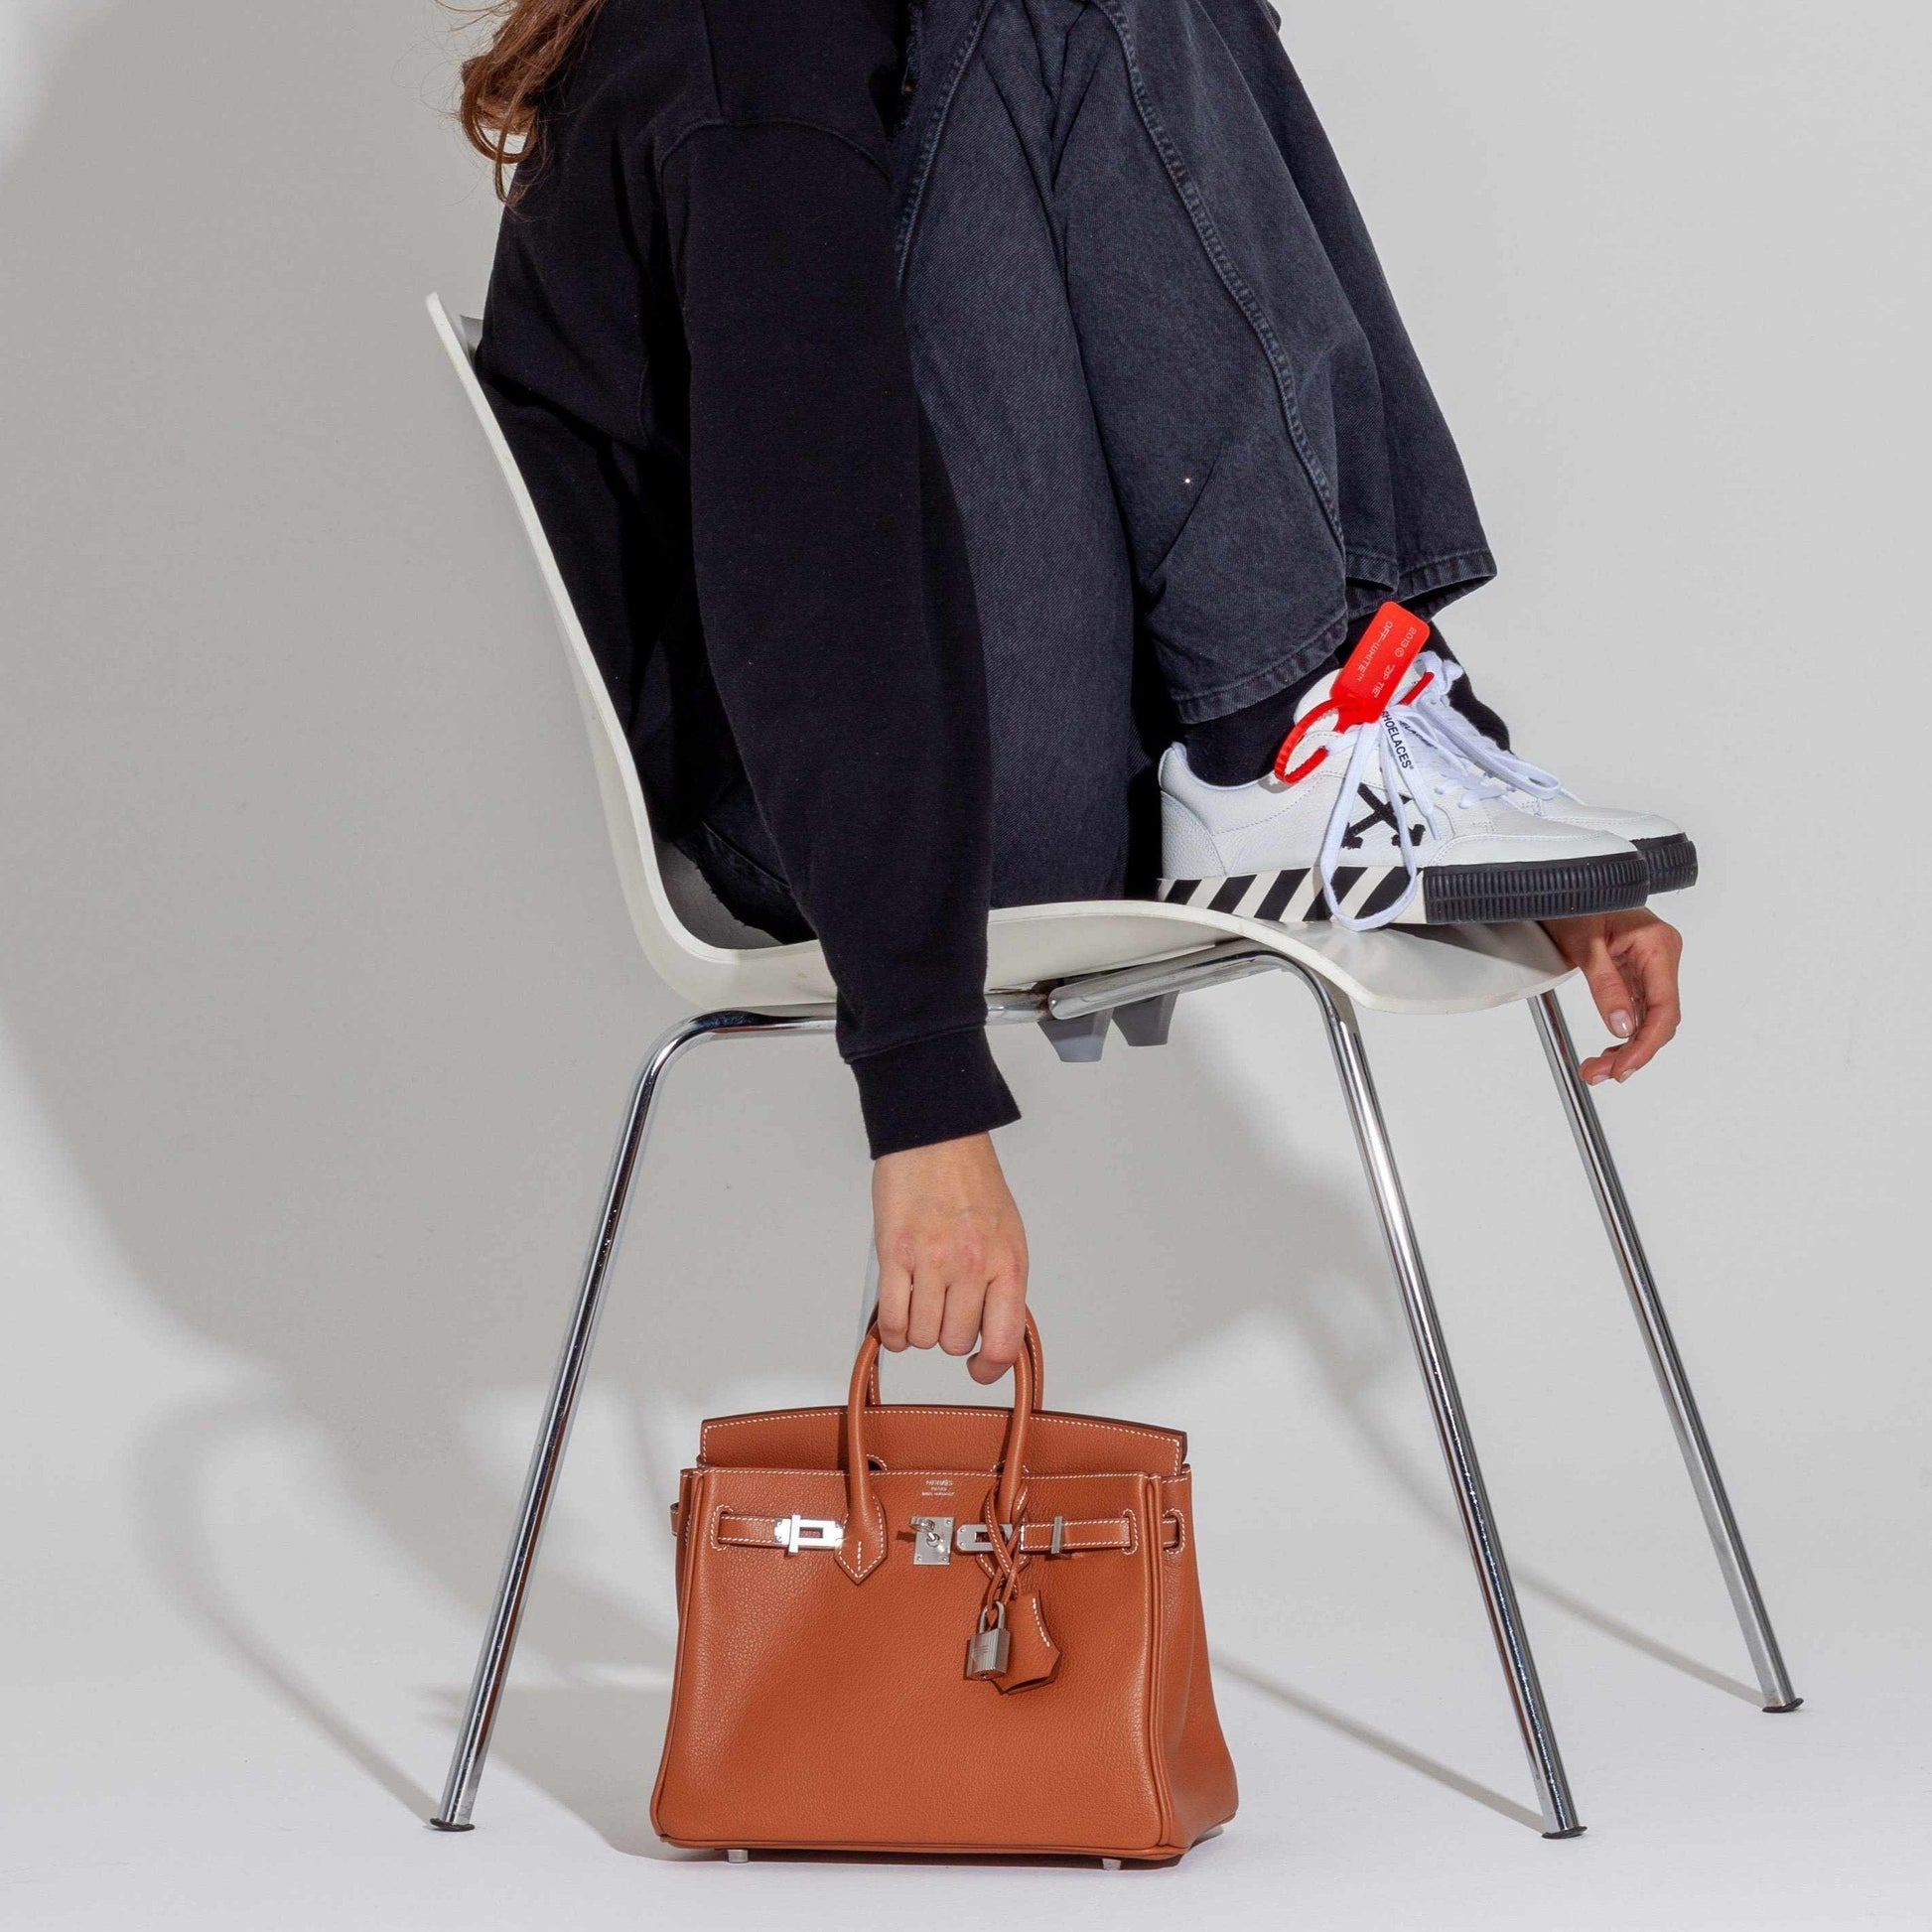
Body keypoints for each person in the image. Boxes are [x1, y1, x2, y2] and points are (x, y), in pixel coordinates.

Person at [460, 0, 1686, 1390]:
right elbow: (816, 561)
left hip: (969, 751)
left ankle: (1342, 736)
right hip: (850, 824)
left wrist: (1492, 844)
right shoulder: (752, 42)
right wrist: (918, 1089)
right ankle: (1281, 748)